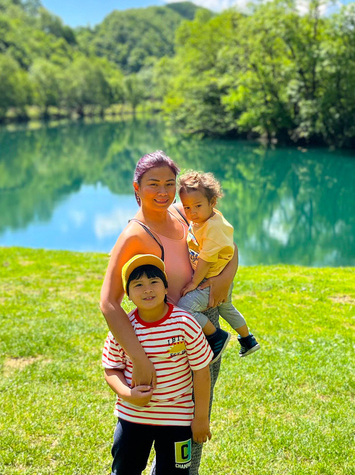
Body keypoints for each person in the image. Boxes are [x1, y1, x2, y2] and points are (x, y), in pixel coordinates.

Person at [100, 151, 237, 474]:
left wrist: (228, 273)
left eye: (169, 184)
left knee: (194, 426)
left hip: (202, 331)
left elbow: (224, 236)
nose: (163, 192)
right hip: (163, 344)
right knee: (165, 427)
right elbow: (108, 302)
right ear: (136, 187)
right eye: (153, 185)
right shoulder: (135, 234)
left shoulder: (181, 213)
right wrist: (139, 358)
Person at [102, 254, 213, 475]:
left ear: (165, 287)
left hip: (177, 419)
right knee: (124, 470)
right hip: (132, 417)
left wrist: (200, 418)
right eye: (138, 284)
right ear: (129, 295)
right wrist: (127, 393)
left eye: (154, 282)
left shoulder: (184, 324)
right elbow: (111, 368)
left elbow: (201, 372)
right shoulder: (123, 330)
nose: (147, 289)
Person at [177, 170, 260, 359]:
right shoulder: (207, 218)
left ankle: (216, 337)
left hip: (208, 279)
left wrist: (194, 284)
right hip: (220, 275)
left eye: (197, 206)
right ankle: (248, 339)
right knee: (226, 307)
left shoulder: (213, 227)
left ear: (213, 202)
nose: (192, 212)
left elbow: (205, 261)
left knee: (184, 309)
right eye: (187, 207)